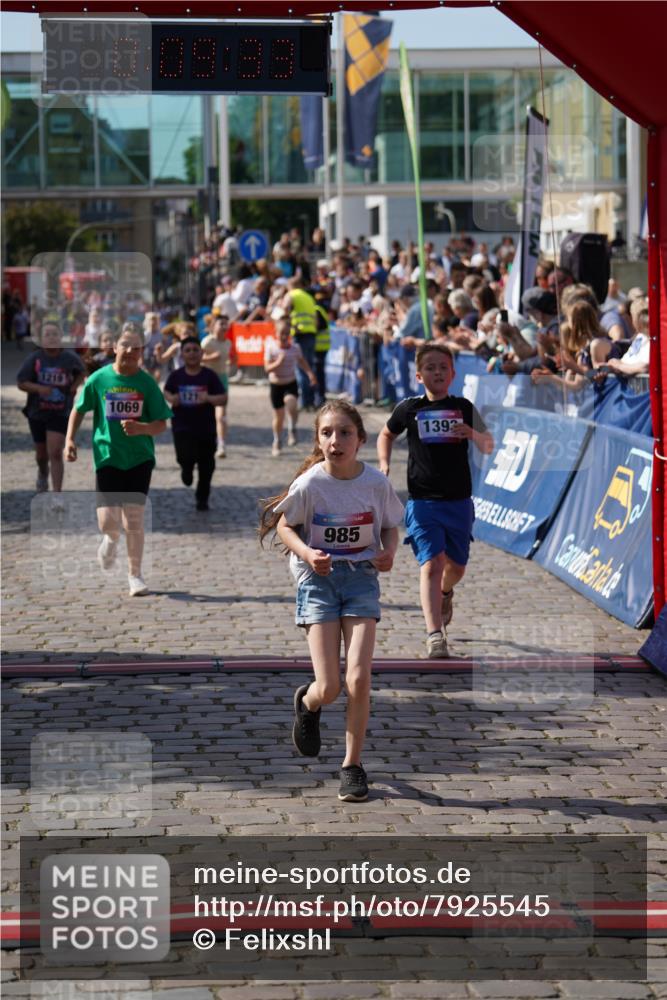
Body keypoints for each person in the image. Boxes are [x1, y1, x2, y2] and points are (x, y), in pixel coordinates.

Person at [259, 400, 404, 802]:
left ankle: (352, 766)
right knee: (331, 686)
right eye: (326, 433)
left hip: (360, 580)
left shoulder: (375, 484)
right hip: (318, 582)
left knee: (358, 678)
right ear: (317, 439)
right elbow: (285, 526)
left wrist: (388, 553)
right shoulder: (310, 484)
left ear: (360, 439)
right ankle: (307, 702)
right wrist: (308, 554)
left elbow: (391, 526)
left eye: (344, 433)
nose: (335, 441)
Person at [377, 342, 494, 658]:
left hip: (458, 501)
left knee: (456, 567)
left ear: (453, 373)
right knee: (432, 563)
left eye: (443, 367)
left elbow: (488, 445)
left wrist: (470, 432)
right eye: (430, 367)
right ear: (418, 375)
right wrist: (384, 462)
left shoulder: (464, 407)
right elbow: (386, 434)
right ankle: (434, 635)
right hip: (422, 501)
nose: (437, 372)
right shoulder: (409, 409)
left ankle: (446, 591)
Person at [64, 322, 172, 597]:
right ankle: (110, 539)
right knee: (107, 522)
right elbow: (79, 410)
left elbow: (162, 423)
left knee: (133, 521)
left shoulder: (146, 383)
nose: (131, 351)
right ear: (114, 347)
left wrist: (142, 429)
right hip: (108, 456)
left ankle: (135, 575)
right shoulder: (99, 379)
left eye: (137, 347)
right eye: (126, 345)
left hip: (139, 458)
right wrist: (70, 440)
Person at [17, 319, 85, 493]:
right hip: (37, 412)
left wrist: (74, 386)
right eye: (47, 334)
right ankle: (42, 471)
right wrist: (39, 388)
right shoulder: (35, 359)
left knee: (55, 452)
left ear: (61, 337)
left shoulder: (69, 358)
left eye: (55, 334)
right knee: (41, 455)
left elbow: (82, 372)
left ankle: (56, 494)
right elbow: (21, 382)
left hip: (60, 412)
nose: (51, 338)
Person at [163, 337, 227, 511]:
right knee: (185, 456)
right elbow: (166, 391)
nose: (192, 353)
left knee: (207, 465)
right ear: (182, 354)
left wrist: (209, 398)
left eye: (195, 350)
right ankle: (186, 468)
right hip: (182, 427)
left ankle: (202, 498)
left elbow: (223, 398)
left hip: (206, 428)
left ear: (202, 353)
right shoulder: (176, 376)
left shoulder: (209, 376)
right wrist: (172, 398)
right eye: (188, 350)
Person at [264, 318, 317, 456]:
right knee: (279, 417)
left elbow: (302, 361)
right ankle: (277, 441)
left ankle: (292, 428)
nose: (283, 336)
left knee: (292, 405)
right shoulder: (271, 347)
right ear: (276, 333)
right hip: (276, 385)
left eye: (286, 333)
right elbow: (267, 368)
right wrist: (278, 363)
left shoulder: (295, 348)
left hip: (290, 383)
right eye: (281, 333)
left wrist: (310, 374)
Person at [201, 314, 233, 458]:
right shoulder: (207, 342)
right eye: (221, 324)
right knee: (206, 415)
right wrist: (210, 357)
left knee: (221, 415)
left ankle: (221, 444)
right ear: (214, 326)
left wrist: (232, 363)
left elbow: (231, 357)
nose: (224, 327)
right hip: (207, 380)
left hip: (222, 380)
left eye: (226, 324)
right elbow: (196, 360)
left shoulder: (228, 343)